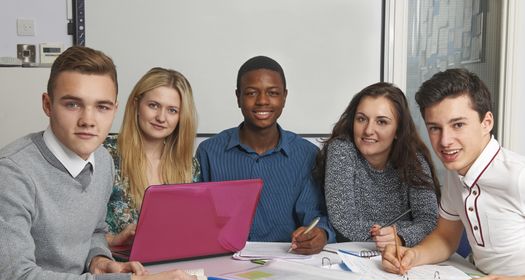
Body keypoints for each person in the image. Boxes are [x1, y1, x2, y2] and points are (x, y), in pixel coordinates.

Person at [0, 46, 206, 280]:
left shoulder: (103, 160)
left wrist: (100, 261)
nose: (88, 120)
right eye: (73, 105)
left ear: (115, 109)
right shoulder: (13, 172)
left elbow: (94, 232)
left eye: (102, 107)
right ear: (47, 104)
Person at [382, 68, 525, 280]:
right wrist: (414, 255)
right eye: (435, 128)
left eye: (458, 125)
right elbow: (446, 237)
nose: (445, 141)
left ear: (486, 122)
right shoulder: (456, 173)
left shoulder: (518, 176)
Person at [196, 55, 334, 254]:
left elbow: (315, 215)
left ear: (284, 97)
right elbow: (199, 219)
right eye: (251, 93)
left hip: (288, 261)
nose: (262, 101)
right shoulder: (209, 152)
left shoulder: (306, 154)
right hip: (225, 260)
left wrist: (320, 233)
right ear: (238, 97)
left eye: (273, 93)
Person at [314, 82, 440, 251]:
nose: (368, 130)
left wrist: (400, 237)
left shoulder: (413, 158)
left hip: (402, 253)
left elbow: (429, 220)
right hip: (351, 253)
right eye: (361, 119)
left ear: (397, 130)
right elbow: (343, 222)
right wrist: (394, 232)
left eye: (381, 122)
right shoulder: (341, 149)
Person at [104, 67, 199, 247]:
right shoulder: (105, 155)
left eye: (172, 110)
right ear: (136, 105)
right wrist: (115, 240)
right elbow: (76, 233)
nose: (161, 117)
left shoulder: (189, 165)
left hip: (172, 264)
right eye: (153, 105)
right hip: (118, 267)